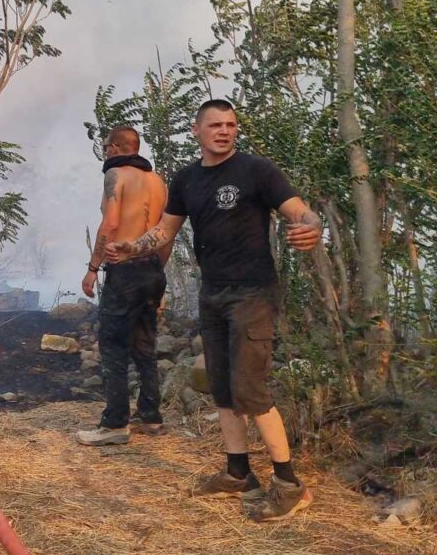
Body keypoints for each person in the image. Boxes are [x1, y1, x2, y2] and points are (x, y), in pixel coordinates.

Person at [106, 99, 322, 522]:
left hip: (252, 294)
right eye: (215, 125)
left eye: (231, 125)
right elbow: (164, 230)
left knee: (250, 390)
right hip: (213, 293)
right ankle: (238, 472)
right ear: (196, 130)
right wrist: (132, 247)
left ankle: (289, 484)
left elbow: (299, 210)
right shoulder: (187, 179)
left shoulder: (258, 171)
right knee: (222, 389)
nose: (224, 131)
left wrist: (311, 227)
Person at [77, 127, 171, 446]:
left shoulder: (115, 174)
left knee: (113, 344)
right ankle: (151, 417)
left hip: (124, 270)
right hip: (153, 269)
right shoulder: (158, 181)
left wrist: (92, 268)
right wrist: (158, 273)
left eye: (106, 147)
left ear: (116, 148)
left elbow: (112, 223)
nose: (104, 153)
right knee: (145, 344)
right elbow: (165, 232)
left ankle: (115, 424)